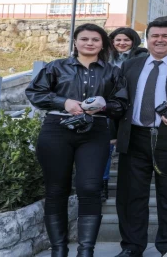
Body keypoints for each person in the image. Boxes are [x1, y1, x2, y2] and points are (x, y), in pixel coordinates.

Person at [26, 23, 128, 257]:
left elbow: (122, 104)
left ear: (103, 44)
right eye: (84, 39)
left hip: (95, 130)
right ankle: (59, 249)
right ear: (75, 42)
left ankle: (86, 251)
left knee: (90, 187)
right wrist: (64, 102)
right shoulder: (56, 67)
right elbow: (35, 93)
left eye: (95, 39)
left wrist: (104, 105)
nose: (89, 43)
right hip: (56, 129)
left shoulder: (113, 72)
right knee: (55, 189)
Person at [114, 20, 167, 257]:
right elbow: (120, 101)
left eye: (165, 35)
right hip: (134, 137)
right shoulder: (130, 66)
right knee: (131, 195)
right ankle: (132, 246)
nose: (159, 40)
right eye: (154, 36)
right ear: (147, 38)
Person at [104, 27, 147, 202]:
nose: (122, 43)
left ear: (133, 41)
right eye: (118, 40)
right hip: (107, 106)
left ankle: (131, 186)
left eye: (126, 40)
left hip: (131, 107)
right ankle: (103, 184)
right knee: (105, 148)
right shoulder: (106, 58)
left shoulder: (142, 57)